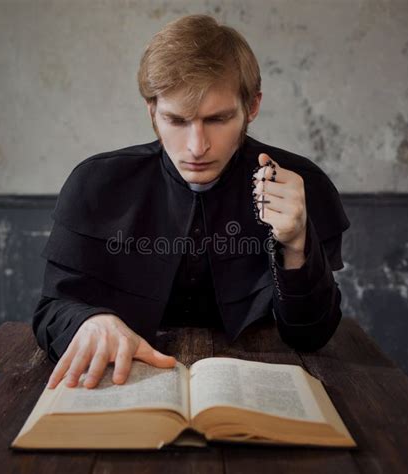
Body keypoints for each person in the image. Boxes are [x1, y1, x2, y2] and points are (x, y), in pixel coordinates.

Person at [33, 14, 350, 391]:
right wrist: (88, 322)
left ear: (251, 107)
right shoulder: (95, 185)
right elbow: (52, 309)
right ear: (152, 112)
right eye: (176, 120)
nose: (197, 147)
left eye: (218, 119)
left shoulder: (302, 184)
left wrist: (296, 244)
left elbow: (311, 336)